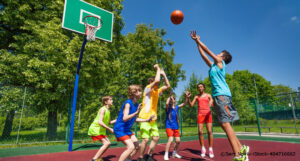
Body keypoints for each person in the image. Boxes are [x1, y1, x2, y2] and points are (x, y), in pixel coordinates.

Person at [190, 30, 249, 161]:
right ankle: (241, 148)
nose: (216, 54)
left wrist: (198, 40)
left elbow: (208, 51)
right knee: (224, 124)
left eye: (219, 54)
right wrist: (196, 43)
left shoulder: (220, 64)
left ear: (222, 57)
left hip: (222, 96)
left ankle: (238, 155)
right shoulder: (213, 67)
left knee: (226, 124)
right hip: (218, 97)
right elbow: (203, 55)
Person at [138, 64, 170, 161]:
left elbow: (167, 86)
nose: (157, 84)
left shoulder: (157, 91)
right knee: (145, 140)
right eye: (155, 83)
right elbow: (157, 80)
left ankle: (149, 156)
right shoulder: (147, 89)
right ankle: (140, 158)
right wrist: (158, 69)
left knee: (156, 138)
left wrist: (163, 74)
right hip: (144, 118)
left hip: (153, 119)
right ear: (151, 83)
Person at [113, 85, 154, 161]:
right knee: (131, 147)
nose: (141, 92)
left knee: (137, 146)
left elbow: (135, 119)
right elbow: (125, 118)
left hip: (126, 130)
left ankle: (128, 159)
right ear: (133, 93)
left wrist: (147, 120)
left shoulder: (136, 104)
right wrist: (136, 112)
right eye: (139, 91)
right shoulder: (128, 104)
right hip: (120, 129)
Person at [187, 83, 214, 158]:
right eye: (198, 87)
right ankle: (203, 148)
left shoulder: (208, 95)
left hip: (208, 114)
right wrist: (188, 98)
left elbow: (212, 101)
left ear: (204, 88)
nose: (200, 88)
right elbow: (191, 105)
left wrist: (211, 101)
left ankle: (211, 149)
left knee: (209, 131)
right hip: (200, 115)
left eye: (201, 87)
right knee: (200, 131)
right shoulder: (196, 96)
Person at [88, 96, 116, 161]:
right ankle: (94, 159)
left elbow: (109, 122)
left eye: (112, 99)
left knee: (108, 143)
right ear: (106, 102)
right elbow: (100, 122)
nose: (112, 101)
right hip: (95, 129)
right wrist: (109, 129)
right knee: (107, 143)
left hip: (100, 130)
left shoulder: (108, 110)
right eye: (110, 100)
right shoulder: (103, 109)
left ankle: (97, 158)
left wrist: (119, 119)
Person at [163, 91, 189, 161]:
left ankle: (174, 153)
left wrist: (186, 97)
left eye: (173, 99)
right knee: (170, 140)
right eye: (171, 99)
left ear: (175, 100)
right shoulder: (168, 108)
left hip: (176, 126)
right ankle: (166, 154)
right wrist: (170, 96)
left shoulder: (177, 107)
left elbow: (184, 103)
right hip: (169, 126)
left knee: (178, 141)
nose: (172, 100)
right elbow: (166, 103)